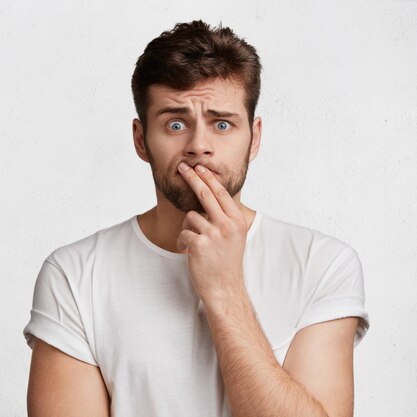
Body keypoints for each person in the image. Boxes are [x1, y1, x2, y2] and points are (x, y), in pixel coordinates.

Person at [23, 20, 369, 417]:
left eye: (222, 124)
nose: (199, 146)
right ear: (141, 140)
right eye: (175, 124)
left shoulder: (323, 265)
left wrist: (225, 290)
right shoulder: (74, 274)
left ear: (254, 138)